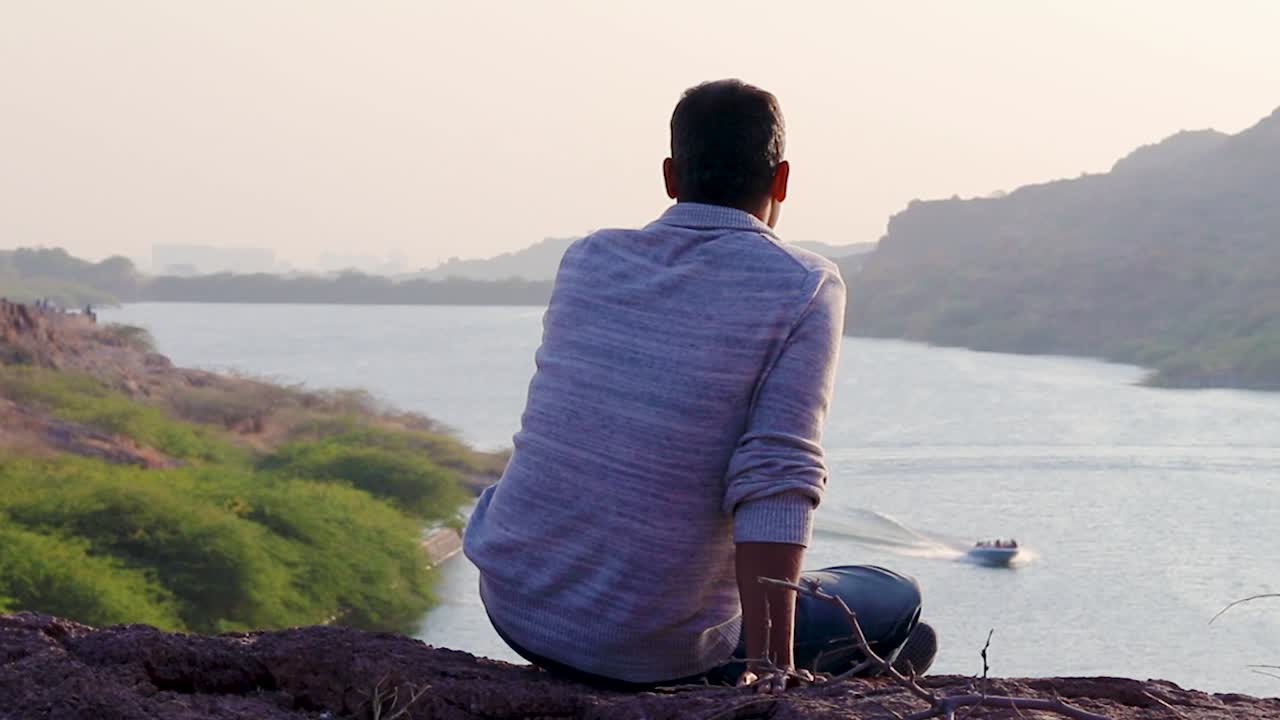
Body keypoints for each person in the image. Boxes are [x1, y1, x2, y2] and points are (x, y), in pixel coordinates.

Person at [463, 79, 934, 693]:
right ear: (781, 180)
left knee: (846, 598)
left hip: (516, 605)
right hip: (650, 648)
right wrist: (770, 669)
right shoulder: (804, 284)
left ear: (670, 176)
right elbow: (775, 472)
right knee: (897, 598)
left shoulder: (589, 258)